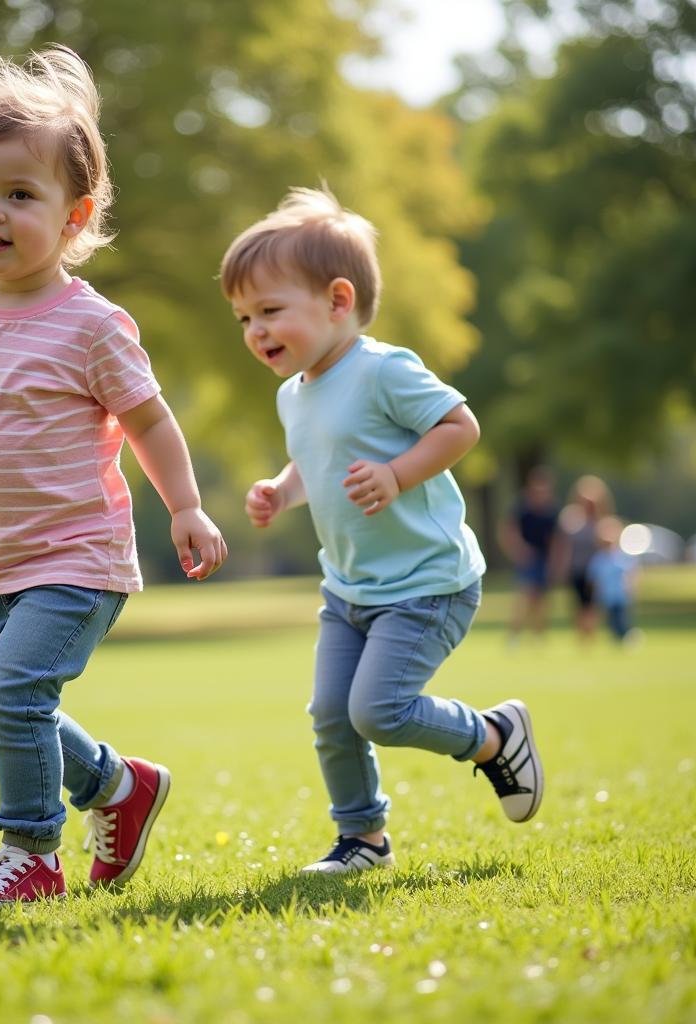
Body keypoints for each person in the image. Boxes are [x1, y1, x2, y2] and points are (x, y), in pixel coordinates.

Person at [0, 46, 227, 907]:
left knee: (15, 694)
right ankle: (117, 787)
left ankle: (31, 855)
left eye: (20, 195)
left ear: (74, 214)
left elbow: (149, 422)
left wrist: (186, 506)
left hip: (78, 556)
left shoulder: (92, 325)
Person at [220, 187, 543, 874]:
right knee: (332, 716)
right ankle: (363, 841)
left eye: (271, 311)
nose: (255, 330)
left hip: (427, 584)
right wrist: (283, 491)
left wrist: (398, 474)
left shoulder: (383, 369)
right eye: (244, 317)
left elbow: (461, 427)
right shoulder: (293, 392)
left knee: (379, 711)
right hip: (349, 590)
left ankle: (492, 736)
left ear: (338, 301)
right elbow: (319, 458)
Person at [498, 466, 560, 642]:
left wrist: (555, 562)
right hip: (527, 559)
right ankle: (514, 635)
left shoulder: (551, 510)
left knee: (541, 600)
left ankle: (539, 636)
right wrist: (519, 550)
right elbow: (508, 530)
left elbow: (556, 539)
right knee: (525, 596)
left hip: (543, 559)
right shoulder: (522, 507)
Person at [555, 475, 613, 640]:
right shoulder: (571, 519)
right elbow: (563, 545)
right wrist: (560, 567)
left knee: (591, 605)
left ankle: (590, 634)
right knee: (578, 605)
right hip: (576, 569)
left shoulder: (602, 521)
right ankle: (582, 635)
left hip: (595, 571)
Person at [587, 516, 637, 643]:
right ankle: (616, 638)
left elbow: (631, 573)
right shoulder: (598, 558)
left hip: (620, 595)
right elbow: (594, 578)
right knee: (611, 620)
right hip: (607, 595)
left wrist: (631, 588)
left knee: (621, 618)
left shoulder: (622, 556)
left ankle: (625, 637)